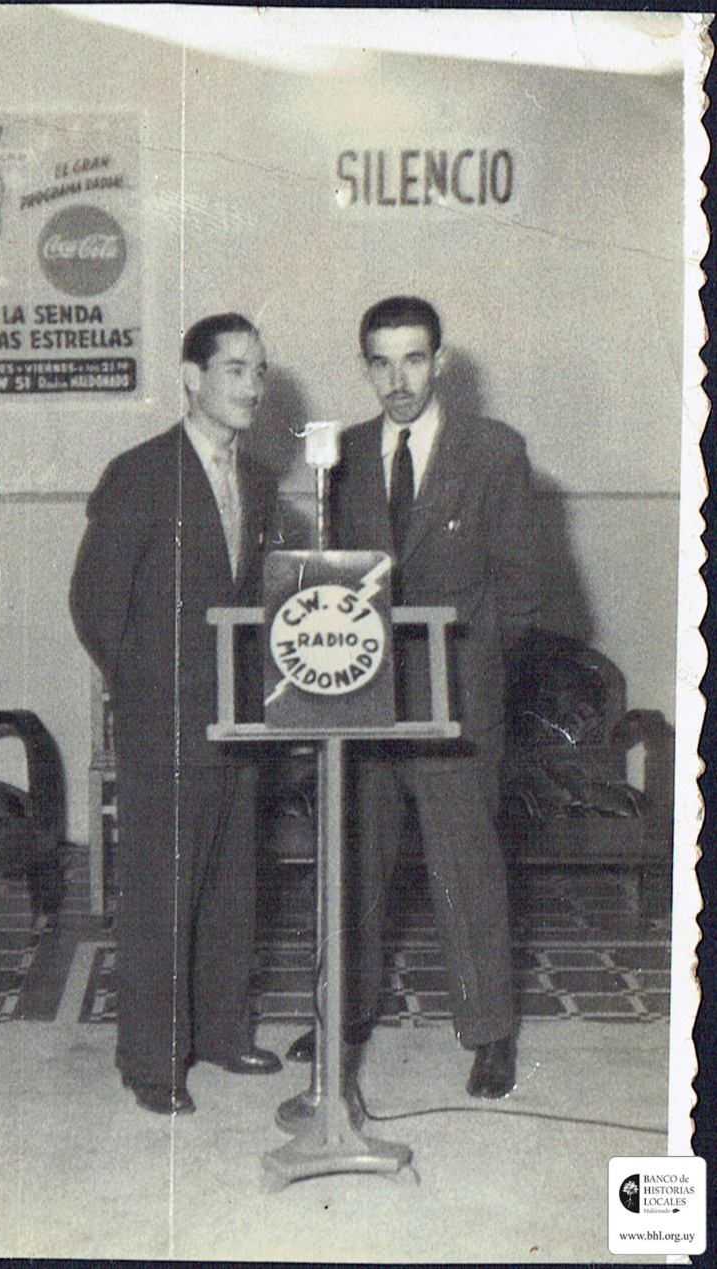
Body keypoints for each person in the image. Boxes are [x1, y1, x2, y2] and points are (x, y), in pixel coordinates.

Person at [288, 296, 539, 1099]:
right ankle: (343, 1015)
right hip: (361, 699)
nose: (397, 380)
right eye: (381, 362)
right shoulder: (343, 456)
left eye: (413, 359)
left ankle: (490, 1032)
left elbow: (523, 590)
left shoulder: (494, 451)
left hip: (457, 700)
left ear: (441, 362)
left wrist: (475, 675)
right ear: (365, 365)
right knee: (354, 862)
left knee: (467, 867)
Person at [70, 313, 282, 1116]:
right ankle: (152, 1060)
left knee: (232, 882)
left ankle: (221, 1032)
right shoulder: (140, 473)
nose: (252, 387)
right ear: (192, 379)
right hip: (164, 719)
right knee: (160, 890)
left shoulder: (259, 480)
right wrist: (148, 690)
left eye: (259, 371)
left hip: (239, 717)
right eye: (235, 369)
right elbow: (94, 603)